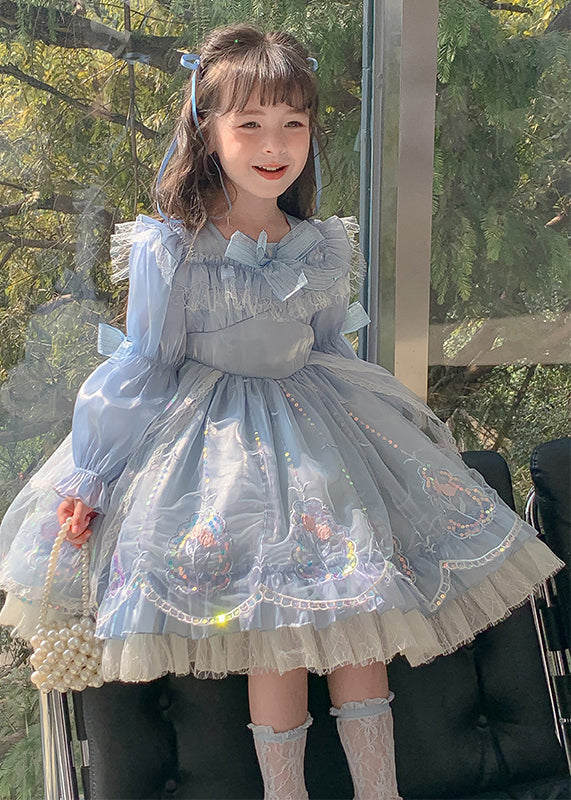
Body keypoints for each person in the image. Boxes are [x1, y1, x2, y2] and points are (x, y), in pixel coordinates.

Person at [0, 23, 564, 800]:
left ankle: (379, 791)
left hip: (322, 436)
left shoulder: (320, 244)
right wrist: (95, 471)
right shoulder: (173, 247)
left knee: (358, 611)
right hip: (219, 452)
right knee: (275, 633)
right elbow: (147, 362)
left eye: (292, 123)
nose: (274, 145)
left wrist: (394, 437)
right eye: (250, 124)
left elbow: (330, 348)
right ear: (207, 129)